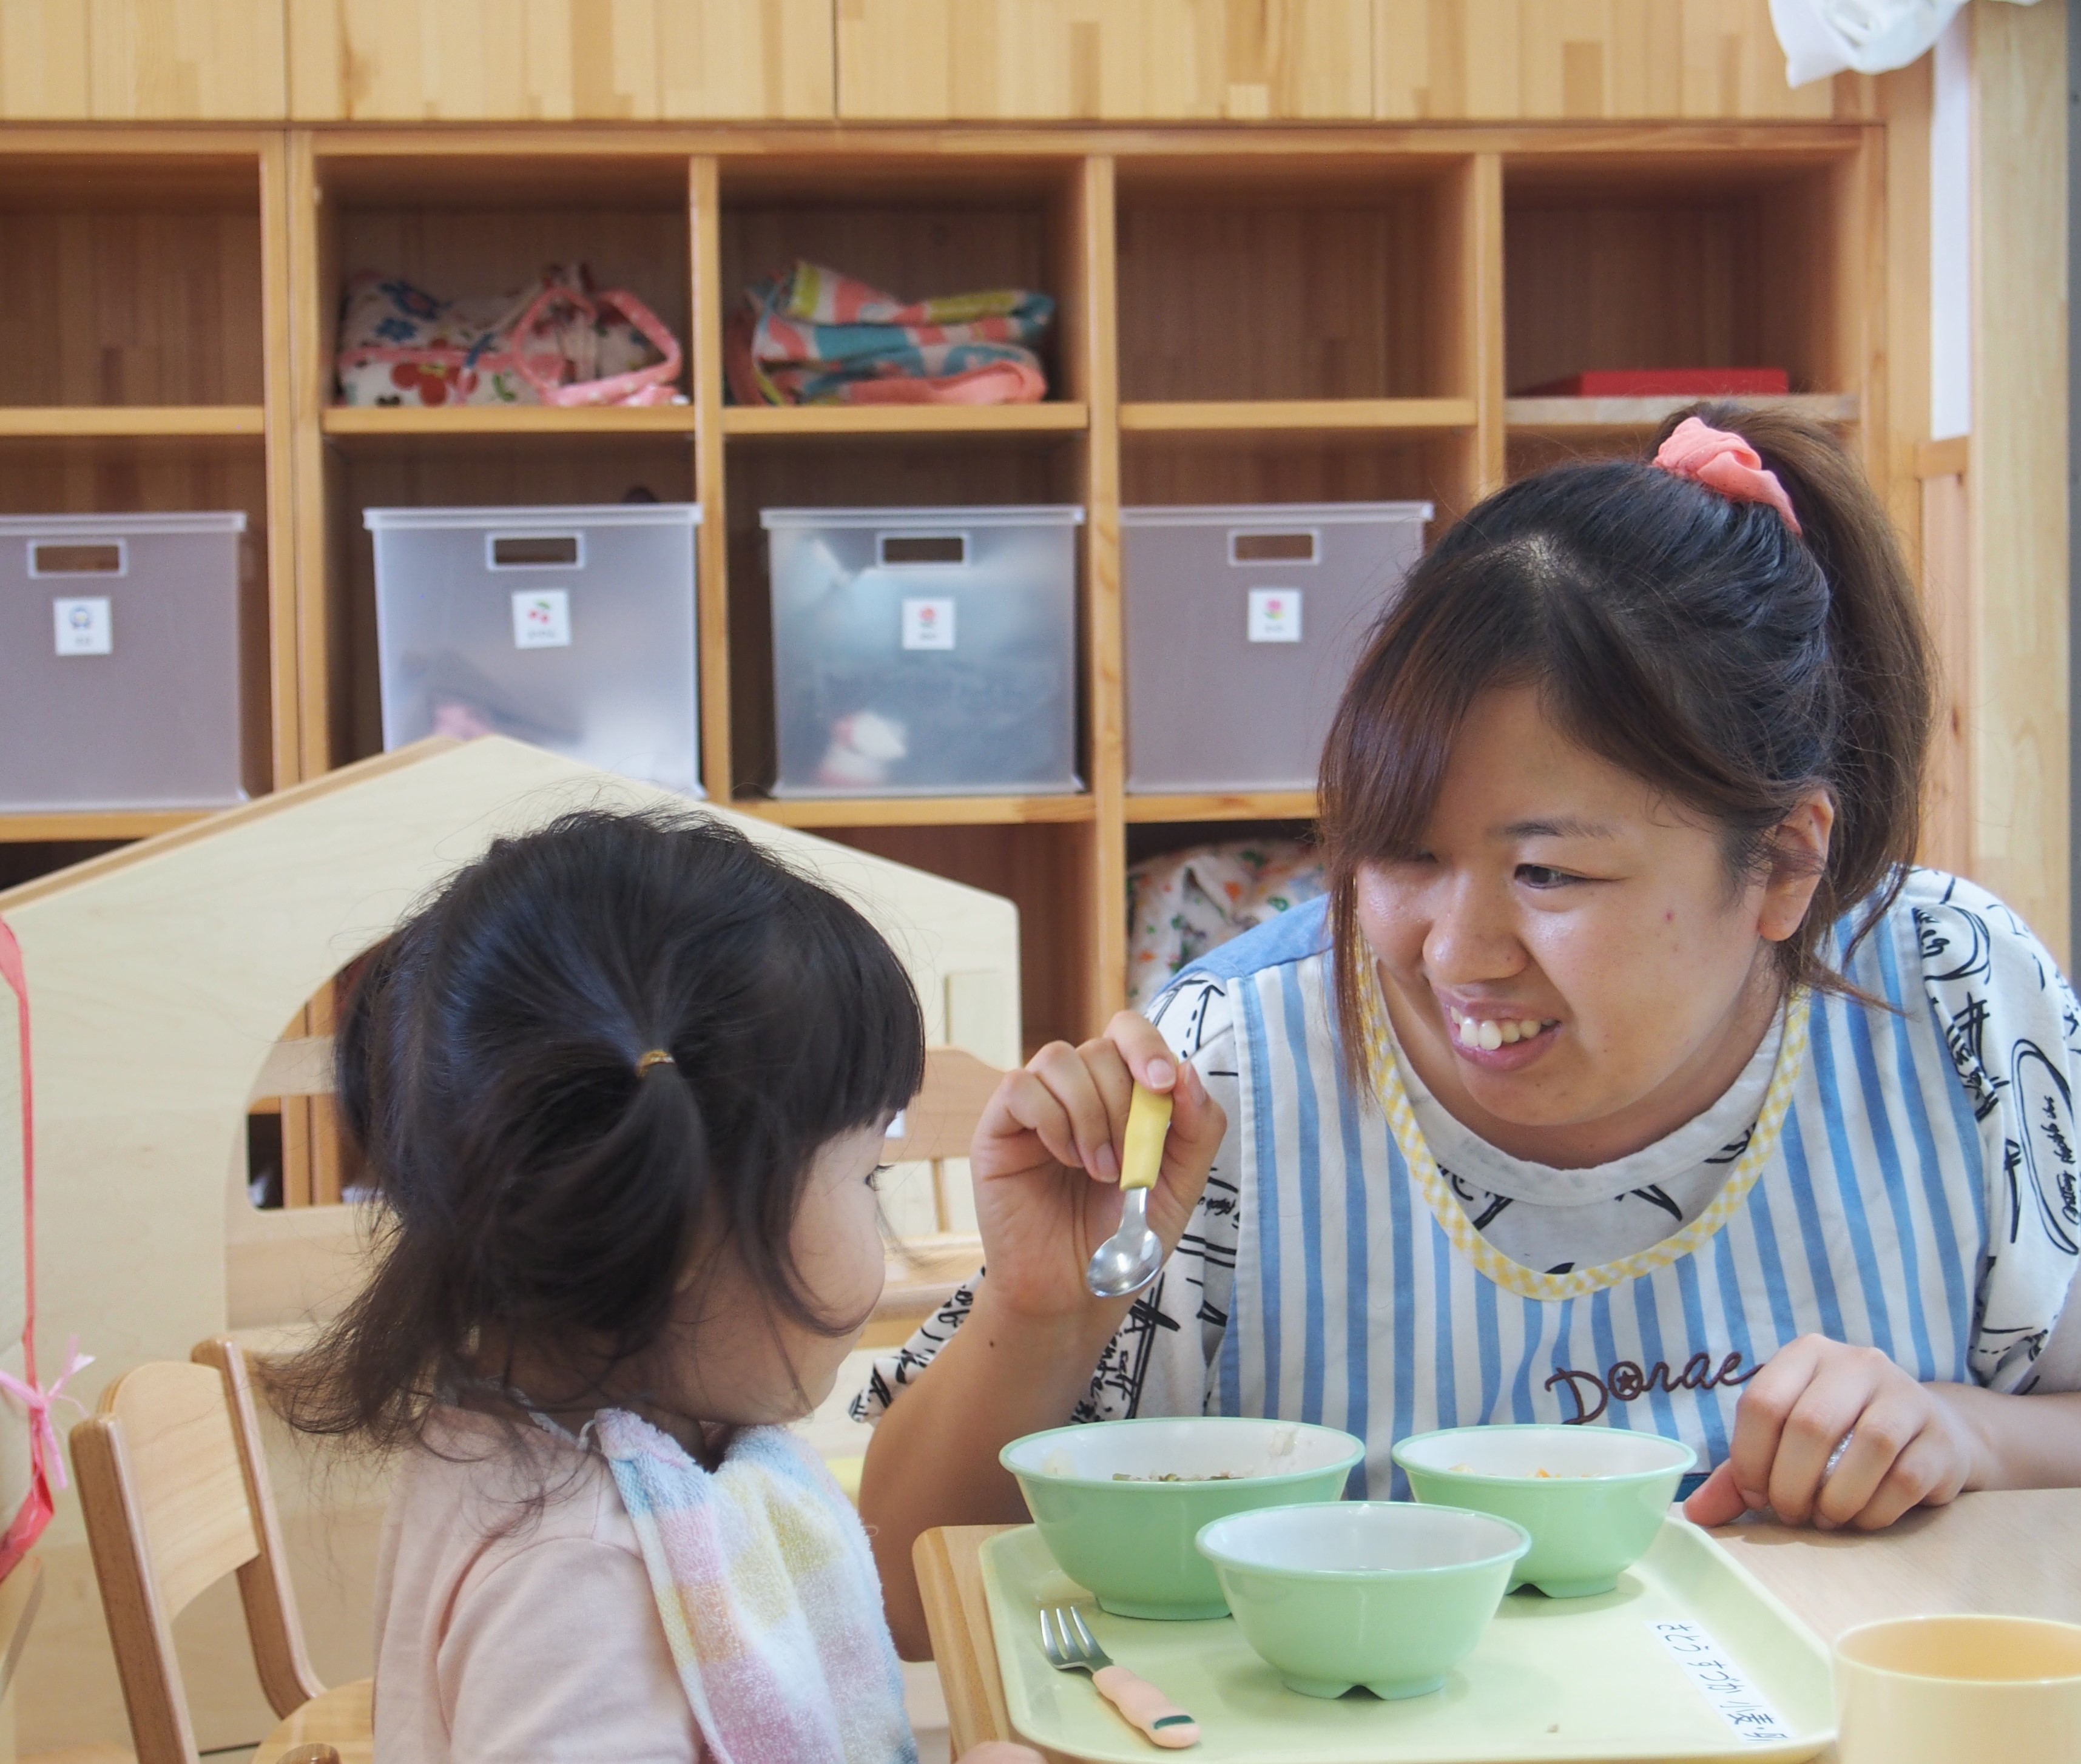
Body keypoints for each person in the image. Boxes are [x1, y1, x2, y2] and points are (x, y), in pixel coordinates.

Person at [857, 408, 2081, 1660]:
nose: (1452, 951)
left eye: (1546, 872)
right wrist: (1047, 1312)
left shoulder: (1955, 997)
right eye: (1400, 852)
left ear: (1781, 861)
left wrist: (1971, 1431)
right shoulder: (1229, 1070)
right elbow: (901, 1608)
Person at [271, 809, 1039, 1764]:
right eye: (865, 1178)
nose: (879, 1224)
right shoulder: (581, 1585)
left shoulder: (540, 1448)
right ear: (673, 1217)